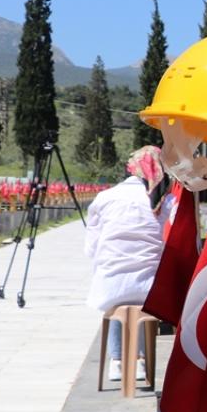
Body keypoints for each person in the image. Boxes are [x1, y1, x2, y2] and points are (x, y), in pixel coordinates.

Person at [84, 146, 165, 382]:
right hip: (151, 288)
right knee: (141, 296)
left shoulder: (105, 197)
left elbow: (91, 249)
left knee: (117, 300)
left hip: (110, 284)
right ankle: (141, 359)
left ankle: (117, 360)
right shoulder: (163, 201)